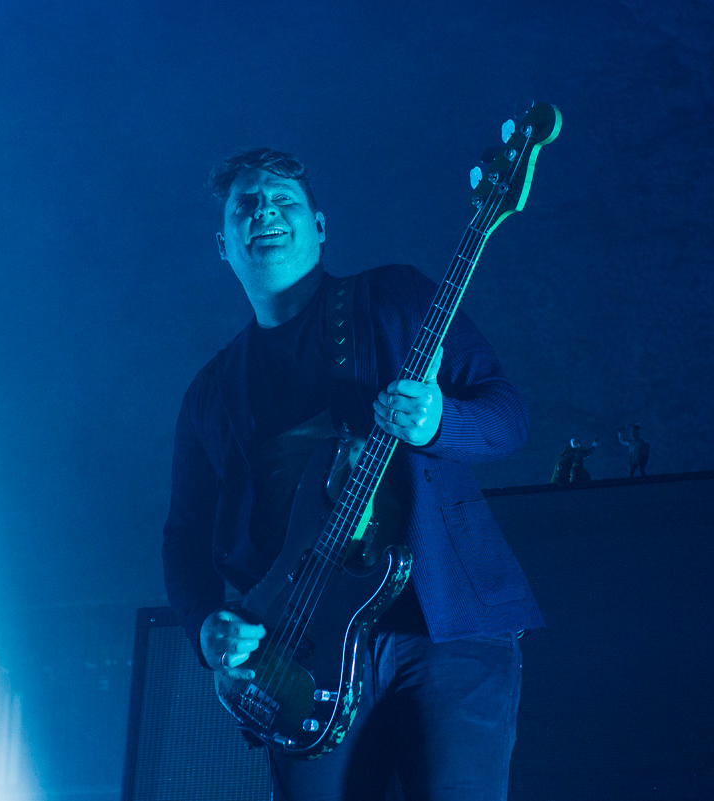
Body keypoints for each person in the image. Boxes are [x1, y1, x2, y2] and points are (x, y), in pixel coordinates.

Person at [161, 148, 544, 801]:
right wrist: (204, 625)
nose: (264, 212)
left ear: (319, 226)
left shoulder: (396, 296)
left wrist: (439, 421)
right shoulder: (210, 393)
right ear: (223, 245)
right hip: (303, 653)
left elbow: (509, 416)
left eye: (283, 200)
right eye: (245, 205)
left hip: (445, 623)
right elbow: (183, 537)